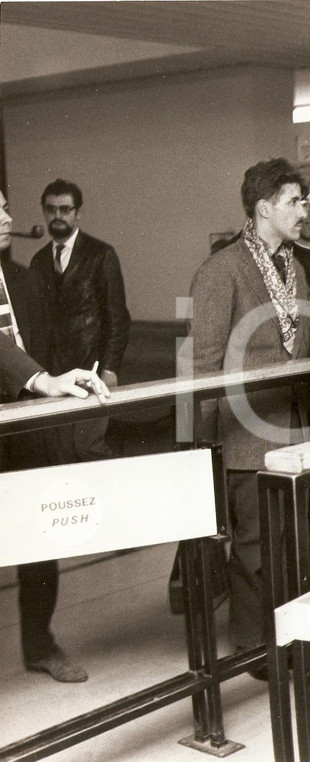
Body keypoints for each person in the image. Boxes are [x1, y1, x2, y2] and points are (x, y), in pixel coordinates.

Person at [186, 158, 310, 678]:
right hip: (243, 434)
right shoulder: (220, 270)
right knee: (253, 548)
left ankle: (292, 636)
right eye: (296, 201)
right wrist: (203, 450)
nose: (304, 211)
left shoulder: (293, 267)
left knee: (292, 540)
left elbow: (303, 339)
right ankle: (256, 648)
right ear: (264, 207)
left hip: (293, 426)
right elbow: (202, 366)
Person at [1, 189, 110, 684]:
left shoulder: (24, 279)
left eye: (5, 207)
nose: (7, 217)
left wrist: (62, 382)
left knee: (38, 539)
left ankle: (39, 642)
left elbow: (44, 346)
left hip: (27, 428)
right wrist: (42, 380)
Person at [30, 178, 130, 462]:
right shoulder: (38, 262)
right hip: (53, 375)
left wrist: (110, 368)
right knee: (58, 453)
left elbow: (118, 317)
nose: (58, 216)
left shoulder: (101, 254)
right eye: (51, 209)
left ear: (78, 213)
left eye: (65, 209)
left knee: (90, 450)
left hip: (92, 370)